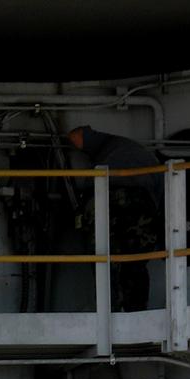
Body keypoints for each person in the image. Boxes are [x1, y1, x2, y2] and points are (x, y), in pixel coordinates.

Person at [67, 126, 164, 312]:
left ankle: (110, 312)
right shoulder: (152, 163)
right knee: (136, 262)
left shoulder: (107, 142)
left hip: (102, 199)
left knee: (103, 260)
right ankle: (135, 314)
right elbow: (158, 206)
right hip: (139, 202)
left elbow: (75, 136)